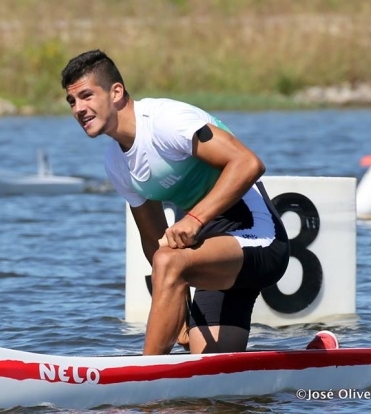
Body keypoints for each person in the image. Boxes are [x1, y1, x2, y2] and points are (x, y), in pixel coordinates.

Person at [61, 49, 292, 355]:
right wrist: (176, 307)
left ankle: (142, 383)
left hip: (259, 237)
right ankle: (315, 359)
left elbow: (248, 163)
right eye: (72, 101)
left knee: (170, 261)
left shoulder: (166, 121)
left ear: (116, 92)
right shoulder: (116, 164)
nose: (79, 108)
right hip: (209, 252)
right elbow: (153, 242)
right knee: (209, 371)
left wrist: (194, 220)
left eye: (87, 96)